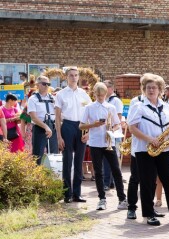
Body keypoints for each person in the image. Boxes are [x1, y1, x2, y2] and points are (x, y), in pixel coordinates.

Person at [127, 73, 169, 226]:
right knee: (147, 182)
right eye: (148, 88)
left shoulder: (166, 107)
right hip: (144, 149)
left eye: (154, 88)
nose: (151, 90)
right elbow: (132, 128)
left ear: (160, 90)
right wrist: (149, 139)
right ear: (144, 89)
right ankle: (148, 214)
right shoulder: (138, 106)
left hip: (164, 149)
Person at [80, 82, 127, 211]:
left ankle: (122, 198)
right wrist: (93, 125)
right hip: (95, 143)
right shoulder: (89, 107)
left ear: (106, 94)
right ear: (94, 94)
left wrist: (112, 128)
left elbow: (118, 124)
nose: (100, 97)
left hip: (108, 142)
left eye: (102, 95)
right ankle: (102, 199)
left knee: (116, 170)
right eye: (98, 95)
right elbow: (81, 125)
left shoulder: (111, 107)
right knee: (98, 172)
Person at [55, 67, 92, 203]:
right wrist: (59, 136)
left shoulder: (84, 94)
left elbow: (90, 115)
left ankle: (77, 193)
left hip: (81, 126)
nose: (74, 77)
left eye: (76, 75)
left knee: (79, 161)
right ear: (66, 77)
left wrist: (87, 132)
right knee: (67, 160)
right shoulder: (61, 94)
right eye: (71, 75)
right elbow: (57, 117)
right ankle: (67, 193)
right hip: (68, 126)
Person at [27, 76, 58, 164]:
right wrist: (45, 127)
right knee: (38, 156)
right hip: (40, 128)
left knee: (54, 156)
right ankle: (38, 177)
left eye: (48, 84)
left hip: (52, 127)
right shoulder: (33, 99)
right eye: (44, 84)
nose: (46, 86)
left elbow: (59, 114)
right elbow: (33, 117)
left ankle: (53, 177)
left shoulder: (53, 98)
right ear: (37, 85)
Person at [102, 80, 124, 191]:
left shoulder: (116, 101)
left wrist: (111, 129)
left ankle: (108, 181)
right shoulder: (104, 100)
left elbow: (118, 118)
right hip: (105, 133)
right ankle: (109, 182)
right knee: (106, 159)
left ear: (111, 88)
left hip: (114, 134)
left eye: (105, 88)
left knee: (112, 159)